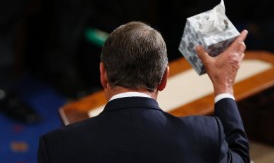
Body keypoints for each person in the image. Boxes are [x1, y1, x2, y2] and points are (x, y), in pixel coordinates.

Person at [37, 21, 250, 163]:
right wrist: (224, 86)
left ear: (103, 74)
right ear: (164, 78)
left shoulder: (57, 146)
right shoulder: (205, 134)